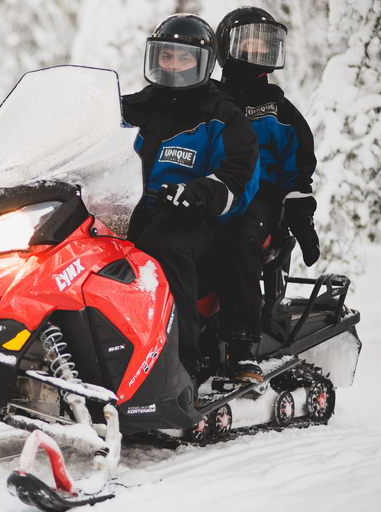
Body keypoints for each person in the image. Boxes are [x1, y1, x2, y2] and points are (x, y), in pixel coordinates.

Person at [121, 13, 260, 389]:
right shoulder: (132, 108)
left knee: (159, 245)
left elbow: (235, 175)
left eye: (184, 58)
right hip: (130, 209)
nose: (174, 66)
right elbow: (90, 144)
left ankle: (183, 362)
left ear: (203, 64)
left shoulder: (222, 115)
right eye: (167, 56)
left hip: (196, 218)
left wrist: (196, 192)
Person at [214, 7, 320, 383]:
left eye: (264, 45)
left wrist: (300, 217)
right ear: (226, 46)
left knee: (241, 237)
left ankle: (243, 347)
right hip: (212, 194)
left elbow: (298, 167)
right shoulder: (208, 100)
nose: (257, 51)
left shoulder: (279, 109)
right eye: (248, 43)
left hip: (262, 201)